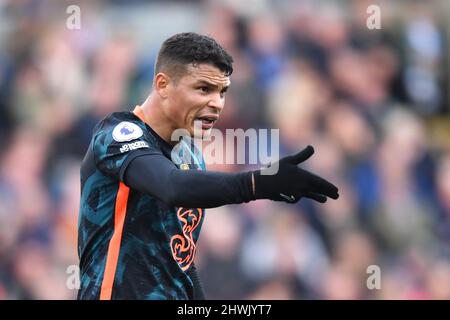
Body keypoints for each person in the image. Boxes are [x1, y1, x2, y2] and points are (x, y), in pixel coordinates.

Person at [77, 32, 339, 300]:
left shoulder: (190, 155)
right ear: (163, 84)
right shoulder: (117, 134)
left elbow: (181, 262)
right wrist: (254, 184)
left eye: (222, 91)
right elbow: (170, 185)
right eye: (203, 89)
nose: (216, 103)